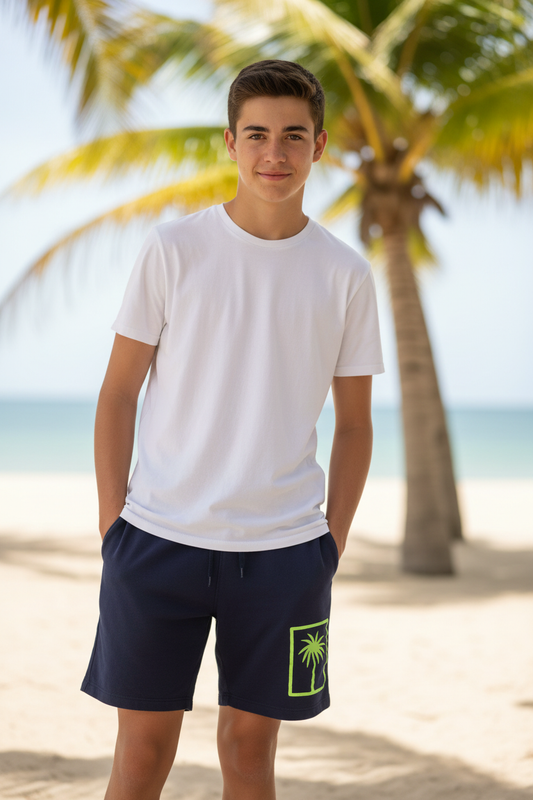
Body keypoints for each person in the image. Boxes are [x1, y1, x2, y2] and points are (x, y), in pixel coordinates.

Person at [81, 59, 384, 800]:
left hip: (286, 554)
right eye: (256, 135)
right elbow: (118, 394)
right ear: (230, 142)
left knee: (250, 753)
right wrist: (113, 526)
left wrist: (330, 544)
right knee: (142, 755)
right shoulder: (173, 250)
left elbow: (354, 425)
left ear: (318, 146)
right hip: (155, 542)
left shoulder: (344, 274)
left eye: (293, 136)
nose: (274, 154)